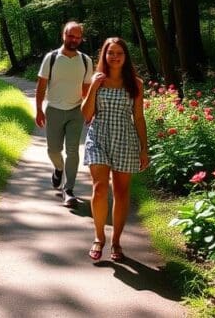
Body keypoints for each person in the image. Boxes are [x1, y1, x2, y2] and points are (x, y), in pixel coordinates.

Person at [81, 37, 149, 261]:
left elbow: (138, 117)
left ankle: (117, 242)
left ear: (125, 56)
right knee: (100, 188)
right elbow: (87, 114)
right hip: (98, 136)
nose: (115, 57)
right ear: (105, 56)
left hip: (125, 139)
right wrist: (93, 87)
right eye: (111, 53)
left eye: (119, 53)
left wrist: (143, 148)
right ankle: (99, 238)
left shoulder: (135, 84)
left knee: (120, 192)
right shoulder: (97, 80)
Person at [36, 21, 93, 208]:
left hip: (76, 111)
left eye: (77, 37)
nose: (74, 40)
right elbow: (41, 86)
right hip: (53, 110)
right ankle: (58, 168)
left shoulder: (85, 61)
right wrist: (38, 109)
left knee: (73, 151)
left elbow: (86, 89)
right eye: (71, 36)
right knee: (53, 149)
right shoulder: (51, 58)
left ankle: (68, 190)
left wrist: (88, 110)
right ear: (63, 35)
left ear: (81, 38)